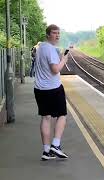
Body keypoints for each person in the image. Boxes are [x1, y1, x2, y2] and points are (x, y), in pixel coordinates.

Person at [33, 24, 69, 161]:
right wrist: (64, 60)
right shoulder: (50, 49)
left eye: (58, 33)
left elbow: (45, 65)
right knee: (62, 115)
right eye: (54, 33)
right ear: (48, 34)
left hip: (39, 89)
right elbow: (55, 69)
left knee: (46, 117)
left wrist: (58, 55)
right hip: (53, 88)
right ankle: (56, 144)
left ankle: (46, 151)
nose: (57, 35)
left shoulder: (41, 47)